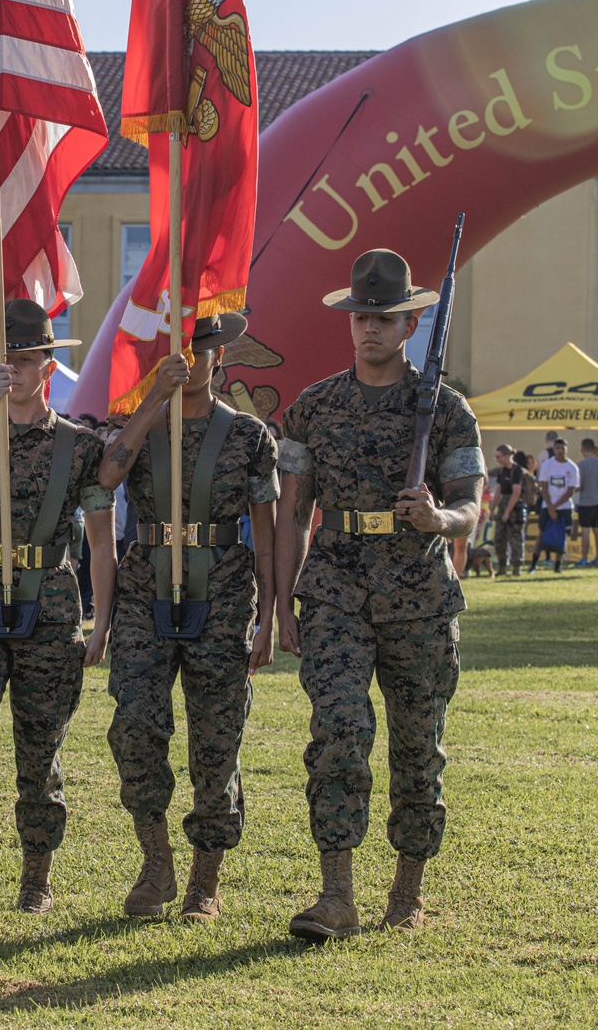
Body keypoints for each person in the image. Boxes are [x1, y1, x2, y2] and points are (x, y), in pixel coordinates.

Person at [274, 249, 483, 941]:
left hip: (419, 593)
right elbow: (292, 510)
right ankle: (336, 894)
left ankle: (408, 888)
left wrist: (439, 519)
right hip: (334, 589)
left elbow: (470, 507)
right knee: (339, 729)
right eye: (362, 316)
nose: (370, 329)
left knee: (417, 746)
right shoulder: (314, 407)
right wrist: (280, 600)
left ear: (412, 323)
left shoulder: (444, 408)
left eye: (385, 318)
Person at [0, 300, 116, 924]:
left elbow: (99, 540)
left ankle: (38, 876)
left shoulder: (80, 446)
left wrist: (102, 618)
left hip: (53, 605)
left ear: (49, 365)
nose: (15, 367)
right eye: (5, 358)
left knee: (41, 743)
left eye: (27, 358)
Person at [96, 313, 278, 922]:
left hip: (224, 591)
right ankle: (156, 861)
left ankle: (206, 879)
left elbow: (270, 531)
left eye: (201, 349)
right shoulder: (140, 423)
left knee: (216, 739)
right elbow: (105, 477)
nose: (191, 358)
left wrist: (273, 614)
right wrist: (152, 403)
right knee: (136, 725)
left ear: (220, 357)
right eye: (179, 348)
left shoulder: (251, 437)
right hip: (146, 586)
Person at [530, 437, 579, 574]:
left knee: (562, 536)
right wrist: (550, 506)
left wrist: (555, 506)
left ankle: (557, 566)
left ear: (566, 450)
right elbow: (543, 487)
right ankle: (533, 565)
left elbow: (570, 491)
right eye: (557, 448)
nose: (560, 451)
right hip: (547, 505)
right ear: (554, 449)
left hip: (564, 507)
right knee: (541, 534)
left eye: (562, 448)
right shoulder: (547, 465)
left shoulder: (572, 467)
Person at [491, 443, 526, 578]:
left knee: (515, 538)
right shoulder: (502, 471)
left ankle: (516, 567)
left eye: (499, 457)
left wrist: (507, 511)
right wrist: (493, 510)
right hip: (503, 505)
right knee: (499, 538)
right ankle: (502, 567)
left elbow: (516, 493)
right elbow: (498, 491)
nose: (497, 459)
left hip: (514, 506)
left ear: (506, 455)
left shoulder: (517, 471)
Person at [573, 438, 598, 566]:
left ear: (583, 450)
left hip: (585, 502)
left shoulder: (581, 465)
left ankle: (584, 557)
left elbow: (579, 485)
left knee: (586, 531)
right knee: (597, 530)